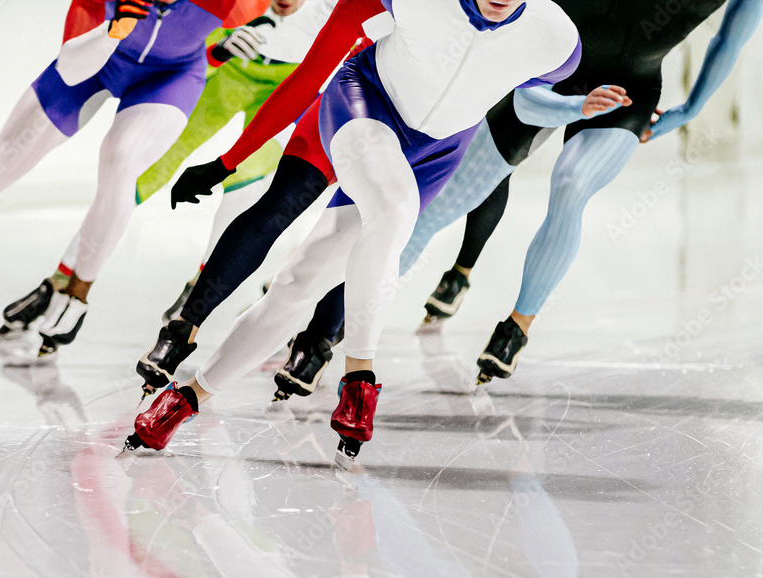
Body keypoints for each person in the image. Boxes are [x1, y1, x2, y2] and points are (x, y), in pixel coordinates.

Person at [125, 0, 585, 468]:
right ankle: (359, 375)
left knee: (300, 284)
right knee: (390, 209)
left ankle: (186, 397)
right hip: (363, 105)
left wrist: (578, 106)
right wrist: (228, 160)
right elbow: (309, 76)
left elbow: (527, 96)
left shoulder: (557, 40)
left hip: (437, 154)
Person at [0, 0, 268, 346]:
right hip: (94, 59)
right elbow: (72, 65)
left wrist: (215, 53)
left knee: (120, 159)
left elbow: (268, 24)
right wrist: (114, 29)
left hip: (171, 76)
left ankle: (76, 296)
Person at [392, 0, 763, 382]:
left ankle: (516, 327)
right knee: (451, 196)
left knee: (571, 185)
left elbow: (730, 37)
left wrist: (691, 109)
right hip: (551, 64)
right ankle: (344, 316)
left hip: (627, 89)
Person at [0, 0, 344, 362]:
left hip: (294, 80)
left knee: (246, 187)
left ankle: (197, 291)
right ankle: (62, 278)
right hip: (226, 70)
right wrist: (215, 50)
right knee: (141, 172)